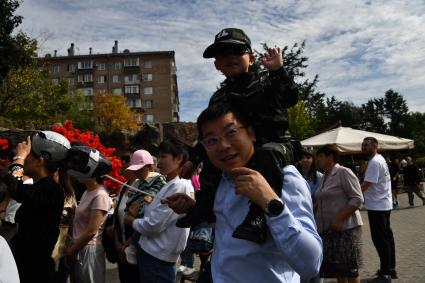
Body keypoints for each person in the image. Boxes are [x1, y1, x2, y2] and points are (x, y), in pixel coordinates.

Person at [165, 104, 322, 282]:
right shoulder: (222, 179)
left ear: (251, 133)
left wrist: (270, 203)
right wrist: (192, 207)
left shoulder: (284, 178)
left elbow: (311, 265)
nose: (223, 146)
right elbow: (228, 234)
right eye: (211, 140)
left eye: (231, 132)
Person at [178, 27, 301, 244]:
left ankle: (257, 217)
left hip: (277, 145)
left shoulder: (266, 83)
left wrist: (278, 70)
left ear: (251, 58)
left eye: (237, 51)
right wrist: (193, 159)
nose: (230, 57)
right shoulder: (219, 97)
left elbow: (290, 97)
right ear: (217, 65)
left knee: (267, 154)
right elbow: (210, 134)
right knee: (214, 153)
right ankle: (204, 207)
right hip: (239, 151)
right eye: (223, 54)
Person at [8, 131, 70, 283]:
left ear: (39, 161)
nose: (24, 160)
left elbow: (15, 187)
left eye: (28, 156)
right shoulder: (42, 187)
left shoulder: (51, 189)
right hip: (29, 265)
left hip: (36, 269)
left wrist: (19, 158)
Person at [130, 138, 193, 283]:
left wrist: (131, 220)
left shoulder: (178, 186)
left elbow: (153, 226)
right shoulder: (168, 184)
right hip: (153, 255)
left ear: (178, 159)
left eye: (164, 156)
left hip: (158, 258)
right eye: (158, 156)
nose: (159, 161)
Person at [315, 145, 364, 283]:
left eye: (320, 156)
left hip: (345, 229)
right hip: (329, 231)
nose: (317, 160)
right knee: (339, 270)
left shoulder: (343, 172)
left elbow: (357, 198)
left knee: (350, 270)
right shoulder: (324, 176)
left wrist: (338, 218)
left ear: (330, 157)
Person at [64, 145, 113, 283]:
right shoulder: (87, 192)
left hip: (89, 249)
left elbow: (91, 231)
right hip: (79, 246)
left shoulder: (100, 195)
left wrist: (71, 250)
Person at [122, 149, 166, 279]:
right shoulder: (136, 183)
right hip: (132, 227)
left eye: (140, 170)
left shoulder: (159, 182)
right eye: (135, 170)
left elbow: (147, 210)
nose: (137, 173)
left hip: (145, 232)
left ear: (150, 167)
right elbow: (130, 205)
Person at [361, 137, 396, 283]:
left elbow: (366, 184)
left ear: (375, 146)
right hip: (384, 204)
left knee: (380, 240)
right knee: (387, 237)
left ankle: (385, 274)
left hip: (377, 206)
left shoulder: (375, 162)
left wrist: (352, 193)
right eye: (363, 145)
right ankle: (390, 269)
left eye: (367, 145)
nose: (363, 147)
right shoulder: (379, 159)